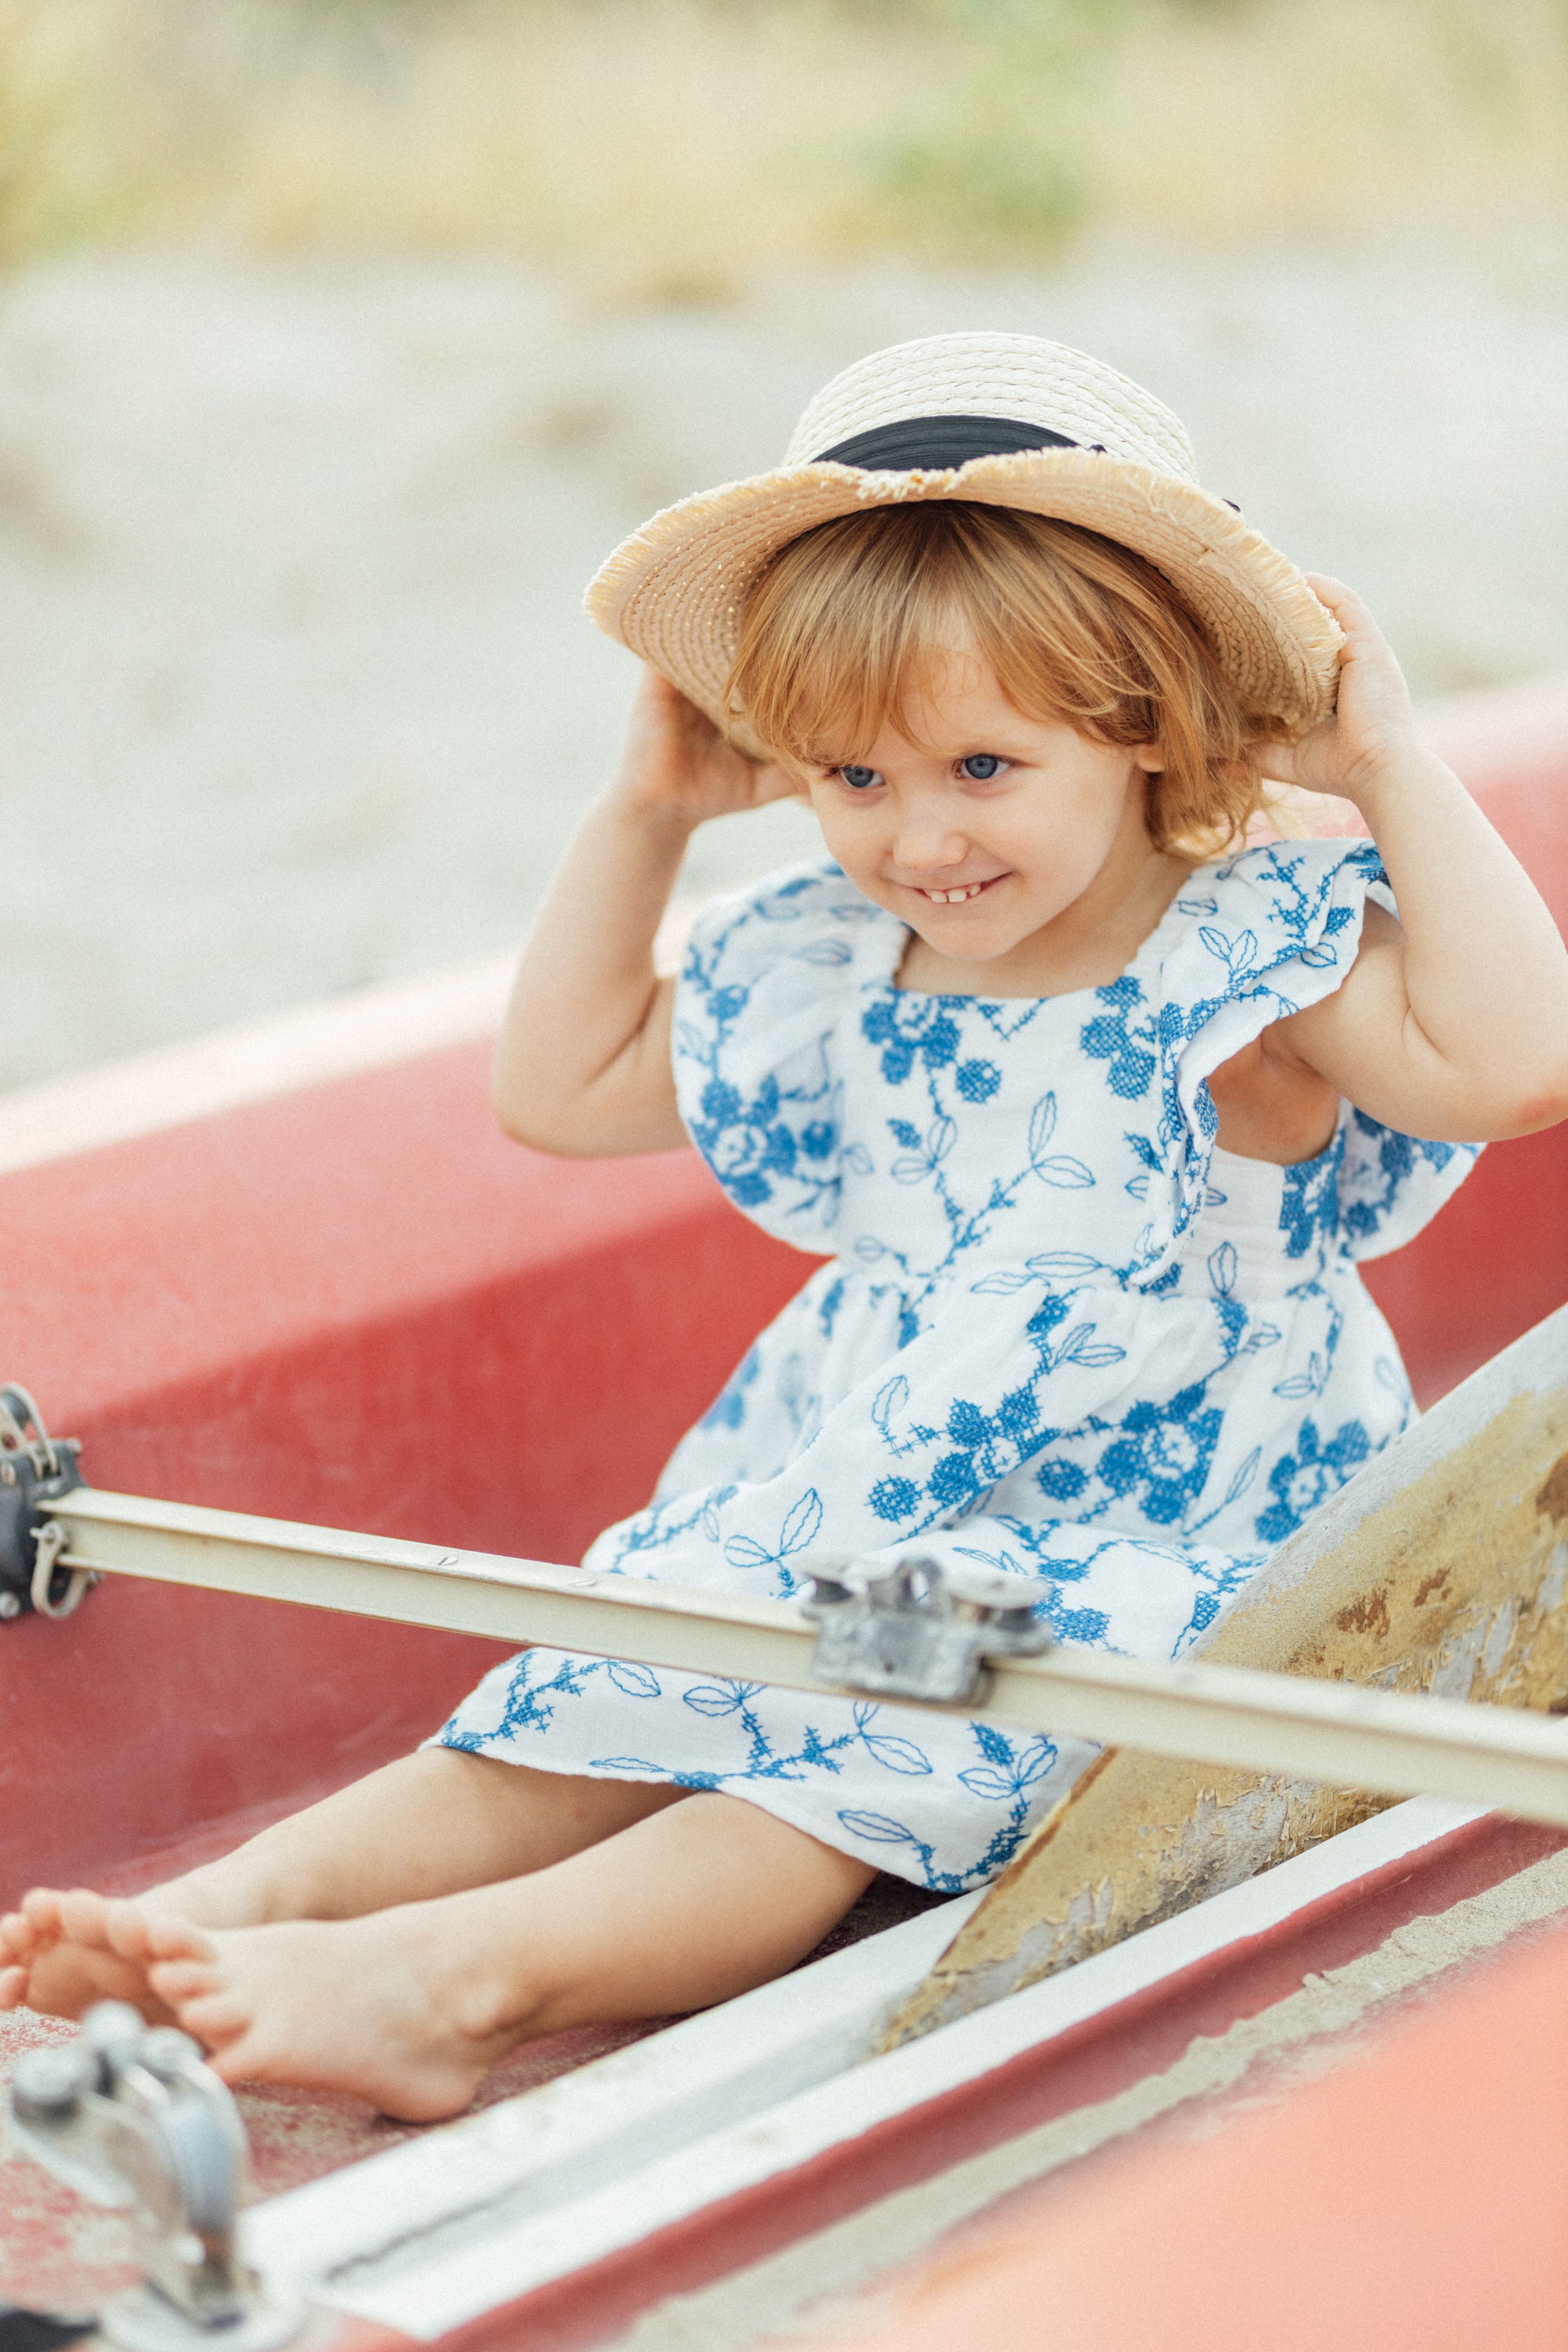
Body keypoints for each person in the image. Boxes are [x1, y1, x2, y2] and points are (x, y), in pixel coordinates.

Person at [4, 333, 1567, 2122]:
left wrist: (1385, 763)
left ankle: (456, 1982)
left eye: (984, 769)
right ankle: (237, 1904)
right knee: (625, 1660)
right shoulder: (840, 959)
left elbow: (1518, 1066)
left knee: (854, 1745)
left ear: (1149, 728)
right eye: (852, 778)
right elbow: (564, 1086)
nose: (918, 840)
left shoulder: (1240, 963)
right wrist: (646, 815)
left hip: (1150, 1527)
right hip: (865, 1486)